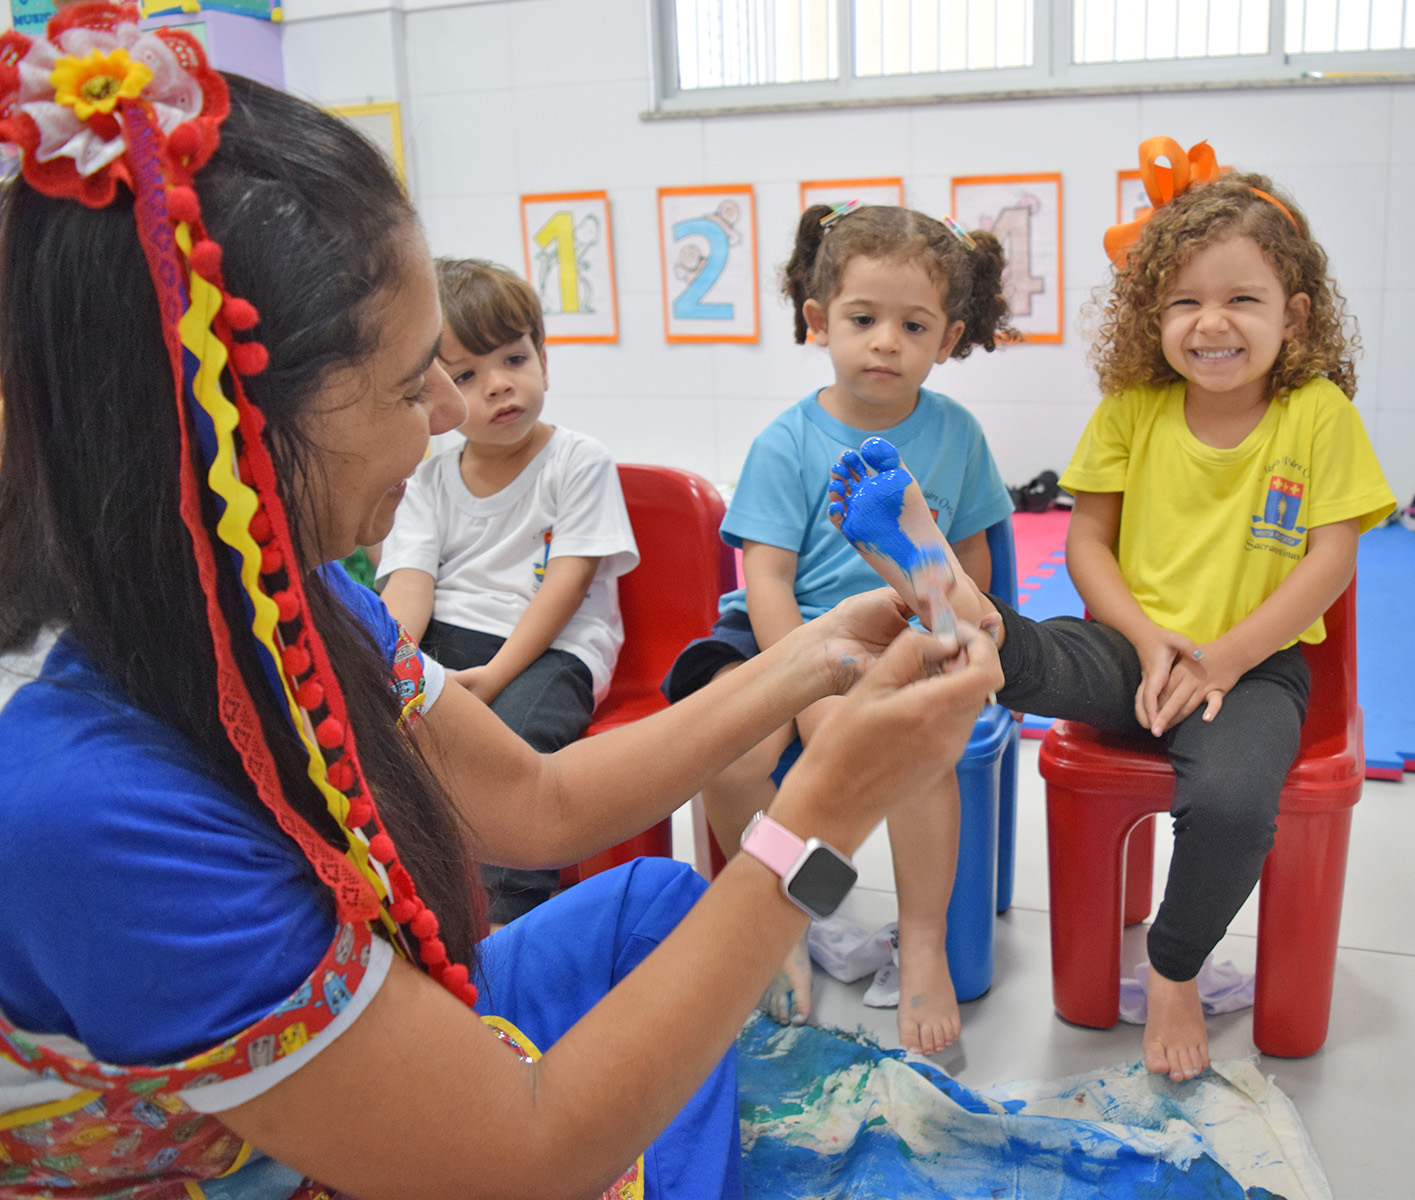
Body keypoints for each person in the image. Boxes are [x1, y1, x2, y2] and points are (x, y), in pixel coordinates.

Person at [0, 12, 1002, 1198]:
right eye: (408, 383)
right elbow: (516, 1161)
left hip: (404, 1064)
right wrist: (823, 817)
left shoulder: (296, 608)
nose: (447, 413)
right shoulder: (86, 814)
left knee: (658, 905)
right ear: (225, 430)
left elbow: (539, 801)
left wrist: (820, 658)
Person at [829, 141, 1395, 1083]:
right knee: (1031, 657)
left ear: (1294, 315)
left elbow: (1332, 559)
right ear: (1152, 314)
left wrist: (1220, 658)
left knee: (1232, 806)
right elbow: (1087, 545)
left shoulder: (1318, 414)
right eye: (1184, 301)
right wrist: (1146, 636)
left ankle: (1173, 970)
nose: (1211, 323)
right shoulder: (1134, 405)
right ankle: (957, 602)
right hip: (1133, 644)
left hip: (1253, 668)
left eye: (1242, 299)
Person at [662, 203, 1016, 1055]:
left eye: (913, 326)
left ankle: (922, 939)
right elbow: (766, 581)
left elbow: (969, 564)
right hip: (780, 633)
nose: (886, 343)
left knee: (920, 754)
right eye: (863, 320)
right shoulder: (786, 443)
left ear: (948, 337)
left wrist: (959, 630)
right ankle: (779, 920)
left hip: (905, 626)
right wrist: (810, 684)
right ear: (819, 321)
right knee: (732, 755)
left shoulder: (957, 435)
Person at [379, 257, 638, 924]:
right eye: (466, 375)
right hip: (452, 639)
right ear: (432, 392)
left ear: (543, 362)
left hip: (553, 649)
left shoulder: (577, 461)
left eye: (514, 359)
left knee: (514, 757)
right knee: (386, 746)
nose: (499, 385)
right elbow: (410, 584)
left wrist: (494, 677)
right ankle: (407, 905)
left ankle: (510, 920)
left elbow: (567, 585)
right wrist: (391, 664)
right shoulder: (428, 480)